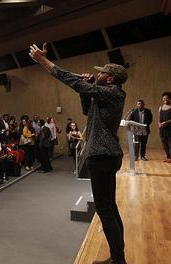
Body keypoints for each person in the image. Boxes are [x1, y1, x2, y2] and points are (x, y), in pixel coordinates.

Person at [30, 43, 128, 264]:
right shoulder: (105, 93)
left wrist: (44, 62)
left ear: (110, 79)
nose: (97, 73)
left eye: (102, 72)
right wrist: (86, 86)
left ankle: (119, 260)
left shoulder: (112, 92)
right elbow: (86, 108)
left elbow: (72, 82)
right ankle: (117, 257)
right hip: (106, 155)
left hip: (102, 155)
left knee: (104, 209)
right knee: (109, 207)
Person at [158, 91, 171, 163]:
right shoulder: (161, 107)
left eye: (166, 98)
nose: (165, 99)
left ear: (170, 98)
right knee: (163, 141)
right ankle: (168, 156)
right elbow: (159, 118)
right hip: (163, 127)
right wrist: (159, 123)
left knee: (170, 141)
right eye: (163, 98)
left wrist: (166, 122)